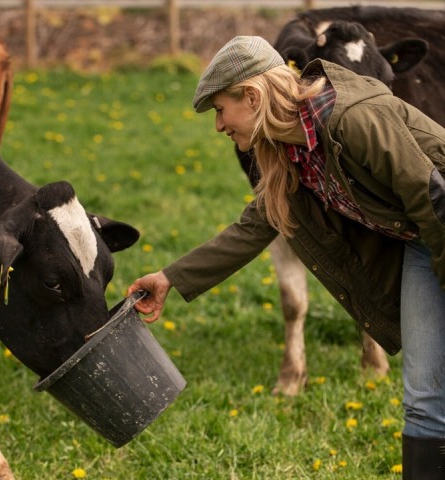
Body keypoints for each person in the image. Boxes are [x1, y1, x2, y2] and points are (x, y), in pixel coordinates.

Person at [127, 35, 445, 479]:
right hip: (422, 243)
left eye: (220, 109)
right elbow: (256, 225)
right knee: (425, 399)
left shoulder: (354, 119)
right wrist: (170, 278)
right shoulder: (287, 150)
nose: (218, 125)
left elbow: (432, 198)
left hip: (441, 226)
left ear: (253, 97)